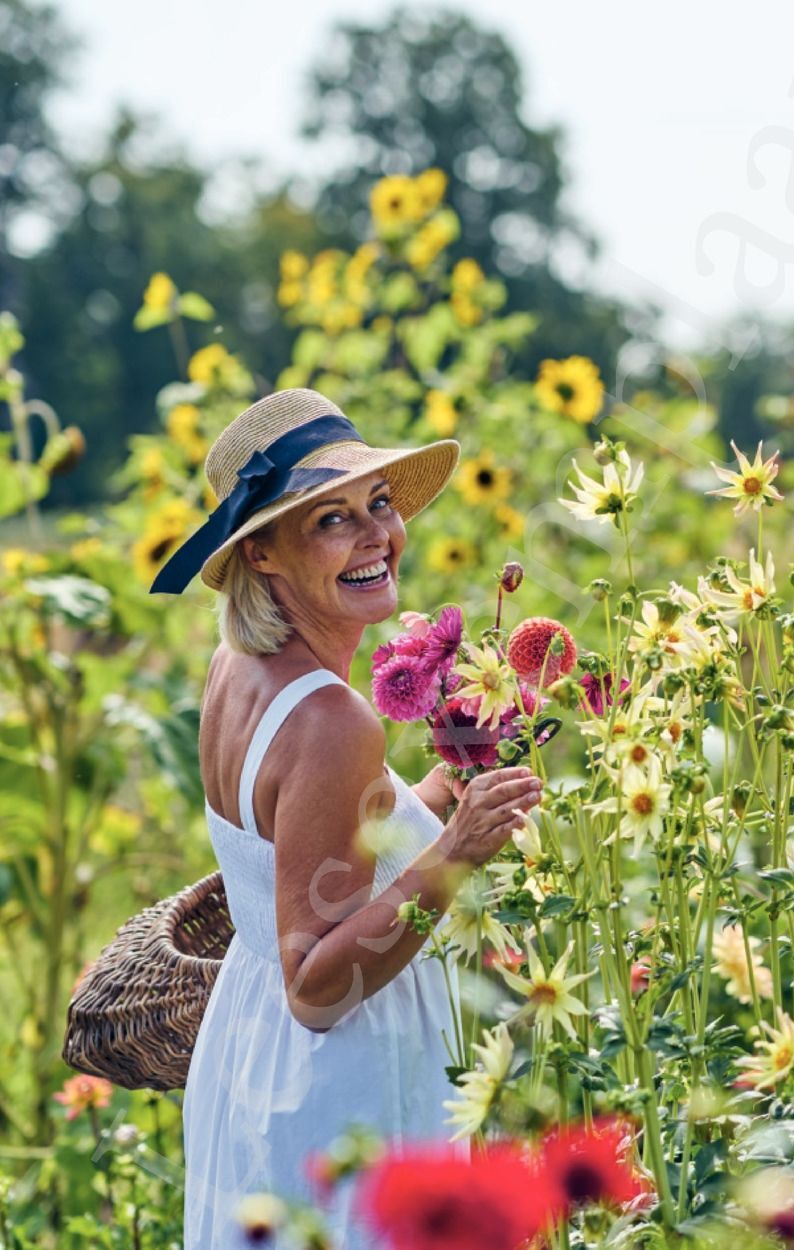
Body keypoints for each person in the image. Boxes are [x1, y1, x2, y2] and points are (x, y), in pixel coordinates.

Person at [149, 388, 542, 1248]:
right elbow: (316, 988)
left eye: (379, 504)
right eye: (331, 520)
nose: (378, 536)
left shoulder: (240, 665)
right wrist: (459, 852)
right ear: (261, 555)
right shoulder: (330, 720)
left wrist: (449, 784)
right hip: (339, 1082)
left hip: (248, 1055)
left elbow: (319, 833)